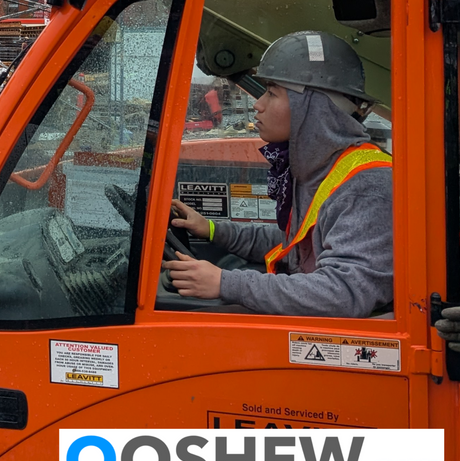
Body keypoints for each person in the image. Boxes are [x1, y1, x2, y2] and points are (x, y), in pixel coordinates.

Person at [162, 30, 394, 317]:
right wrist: (211, 229)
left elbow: (343, 293)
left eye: (272, 92)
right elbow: (293, 247)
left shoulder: (367, 185)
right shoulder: (321, 170)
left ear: (312, 107)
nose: (258, 104)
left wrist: (225, 283)